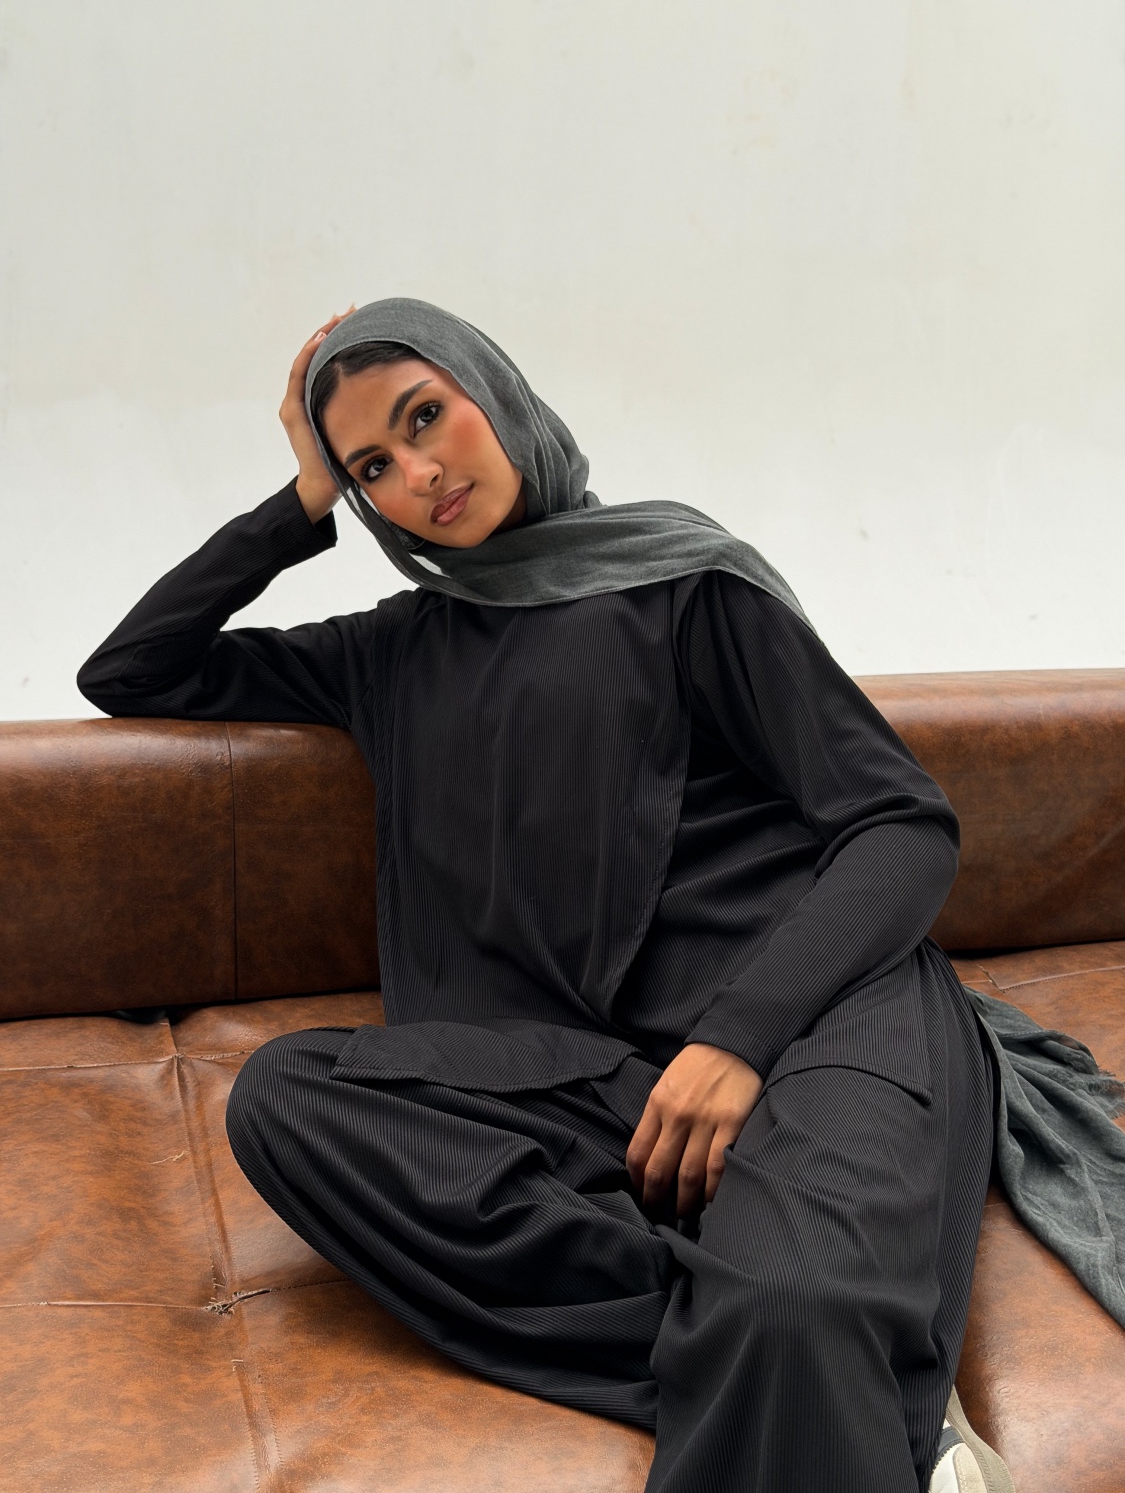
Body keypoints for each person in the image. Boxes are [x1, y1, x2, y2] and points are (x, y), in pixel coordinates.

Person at [78, 298, 1005, 1493]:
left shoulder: (680, 580)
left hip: (814, 1022)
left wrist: (738, 1041)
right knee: (283, 1099)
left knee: (788, 1303)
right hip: (602, 1085)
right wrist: (301, 497)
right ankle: (832, 1345)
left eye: (425, 416)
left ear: (495, 392)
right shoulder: (389, 653)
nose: (417, 473)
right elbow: (131, 669)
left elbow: (901, 827)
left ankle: (815, 1334)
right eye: (372, 468)